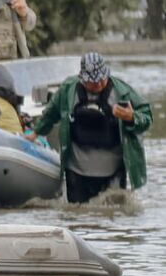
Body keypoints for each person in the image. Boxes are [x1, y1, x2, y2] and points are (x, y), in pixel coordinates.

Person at [30, 52, 153, 203]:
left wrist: (131, 117)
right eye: (93, 82)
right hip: (77, 170)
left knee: (116, 212)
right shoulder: (68, 89)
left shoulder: (122, 91)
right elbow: (51, 113)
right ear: (82, 79)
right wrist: (34, 134)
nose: (99, 84)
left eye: (102, 79)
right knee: (77, 212)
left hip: (113, 171)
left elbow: (147, 117)